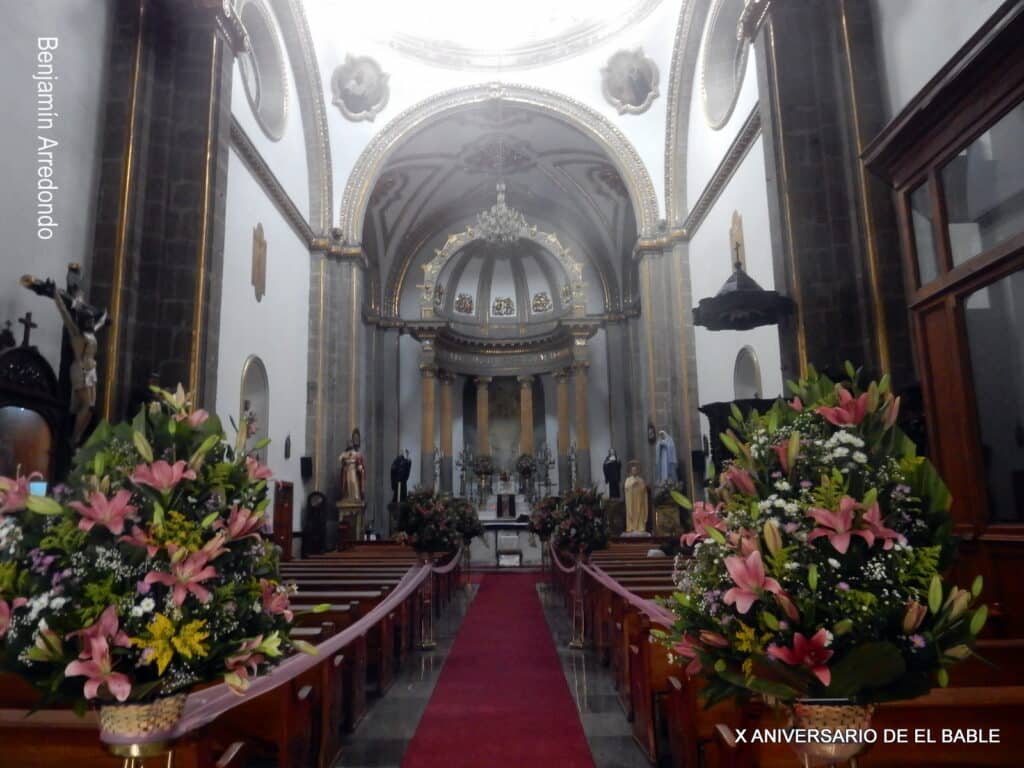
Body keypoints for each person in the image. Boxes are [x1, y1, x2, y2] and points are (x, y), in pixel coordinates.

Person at [51, 291, 106, 445]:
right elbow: (64, 313)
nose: (90, 323)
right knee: (86, 404)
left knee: (90, 409)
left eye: (91, 320)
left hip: (90, 372)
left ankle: (79, 436)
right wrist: (56, 295)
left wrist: (104, 318)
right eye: (87, 320)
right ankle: (73, 437)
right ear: (82, 321)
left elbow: (99, 324)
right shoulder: (76, 332)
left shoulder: (91, 332)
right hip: (80, 370)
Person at [624, 461, 649, 534]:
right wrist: (632, 484)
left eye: (635, 470)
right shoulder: (628, 480)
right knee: (631, 513)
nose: (634, 471)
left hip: (639, 500)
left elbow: (644, 490)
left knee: (640, 512)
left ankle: (640, 527)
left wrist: (640, 485)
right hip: (631, 502)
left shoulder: (641, 480)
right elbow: (626, 488)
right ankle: (631, 527)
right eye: (633, 470)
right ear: (631, 471)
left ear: (637, 471)